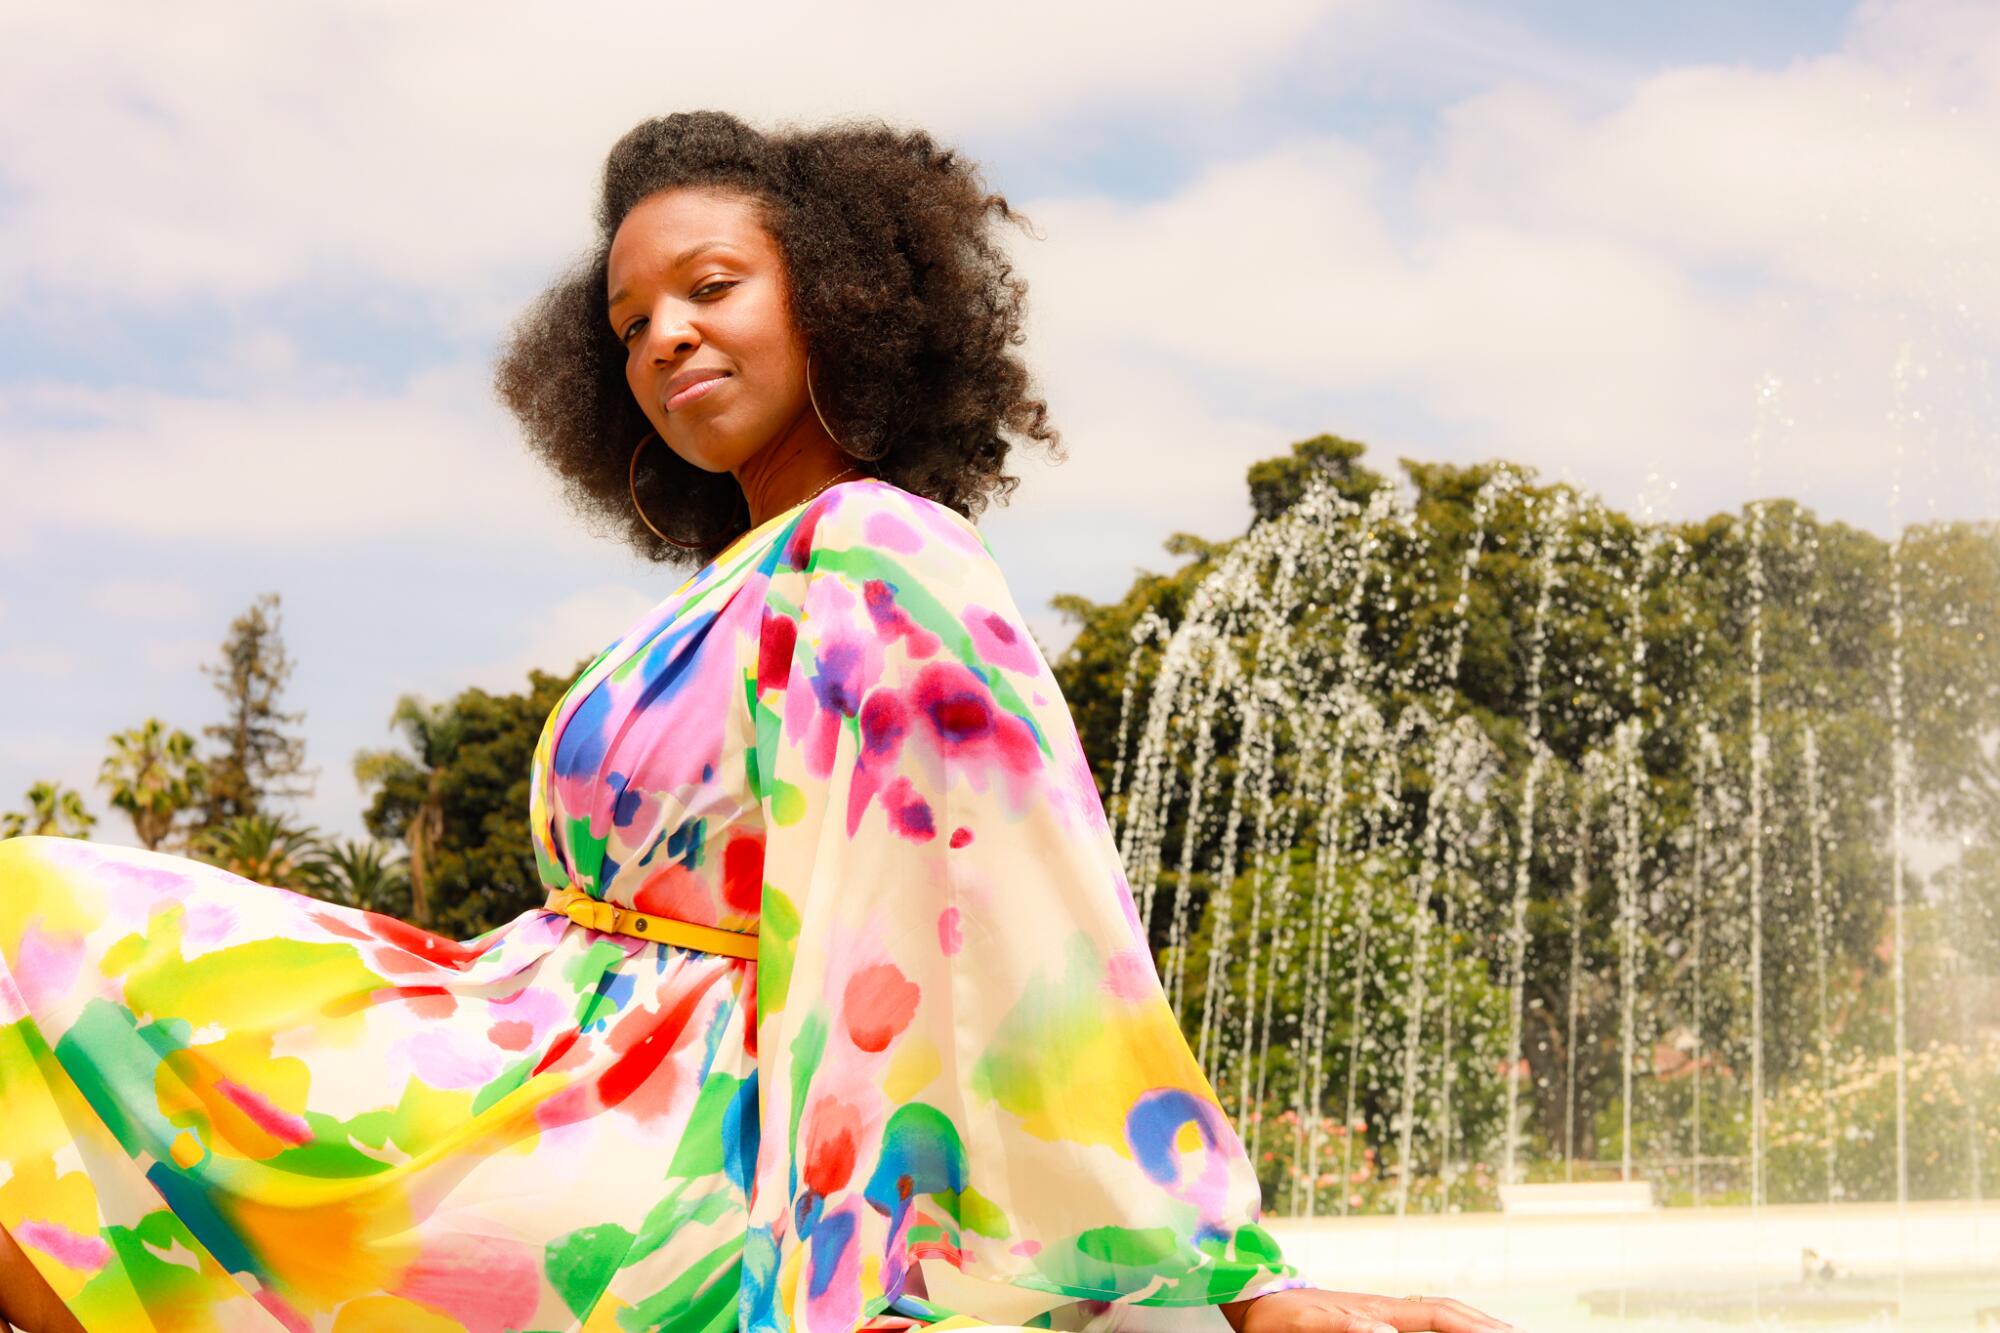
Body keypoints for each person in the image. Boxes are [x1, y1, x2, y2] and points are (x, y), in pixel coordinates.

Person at [0, 110, 1520, 1333]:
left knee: (30, 934)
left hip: (666, 1136)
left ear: (839, 295)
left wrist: (1241, 1274)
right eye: (631, 321)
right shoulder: (733, 579)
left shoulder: (880, 545)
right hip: (528, 1051)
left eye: (710, 286)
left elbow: (1032, 891)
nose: (664, 335)